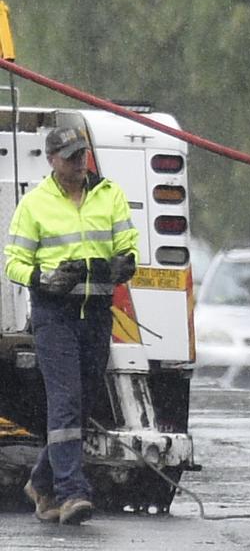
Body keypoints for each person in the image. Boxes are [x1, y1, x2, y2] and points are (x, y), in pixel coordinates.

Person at [4, 126, 138, 525]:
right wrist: (42, 279)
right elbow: (14, 262)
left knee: (82, 403)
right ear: (52, 160)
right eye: (70, 157)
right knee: (65, 401)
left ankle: (41, 482)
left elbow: (125, 243)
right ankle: (71, 491)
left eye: (82, 155)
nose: (80, 163)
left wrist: (124, 262)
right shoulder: (35, 204)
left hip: (96, 313)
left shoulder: (108, 194)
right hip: (55, 317)